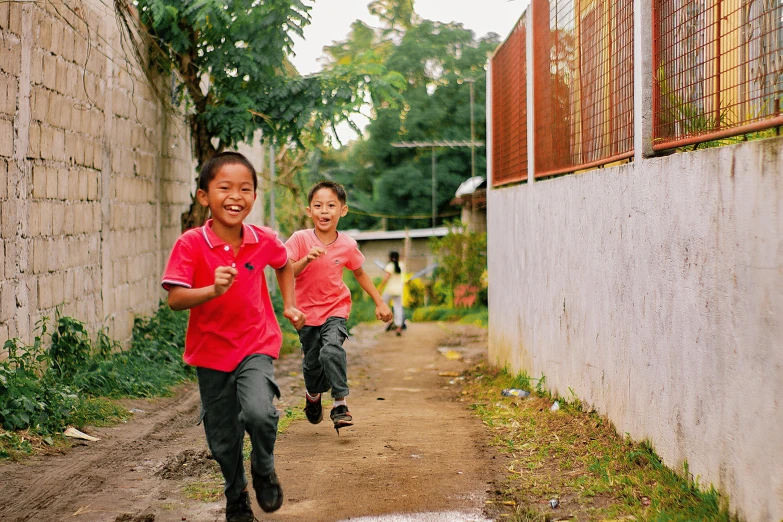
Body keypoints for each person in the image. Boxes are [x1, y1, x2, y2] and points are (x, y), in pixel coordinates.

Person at [161, 151, 305, 522]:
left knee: (259, 413)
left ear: (255, 197)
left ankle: (263, 466)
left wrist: (289, 304)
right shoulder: (191, 244)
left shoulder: (264, 240)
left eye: (245, 188)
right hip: (210, 353)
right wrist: (211, 290)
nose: (235, 196)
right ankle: (236, 495)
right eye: (224, 187)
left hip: (256, 345)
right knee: (223, 439)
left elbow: (284, 262)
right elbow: (175, 299)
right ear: (204, 196)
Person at [285, 181, 392, 433]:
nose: (324, 211)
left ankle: (340, 404)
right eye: (318, 206)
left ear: (342, 210)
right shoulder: (300, 239)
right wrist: (305, 259)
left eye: (331, 205)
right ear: (308, 210)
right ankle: (313, 397)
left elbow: (360, 273)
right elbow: (286, 271)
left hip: (335, 310)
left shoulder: (347, 245)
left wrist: (380, 301)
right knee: (312, 365)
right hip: (306, 315)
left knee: (331, 350)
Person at [379, 251, 405, 336]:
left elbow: (386, 278)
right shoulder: (401, 265)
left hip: (389, 290)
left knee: (383, 303)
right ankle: (398, 327)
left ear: (390, 257)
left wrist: (380, 287)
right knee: (398, 308)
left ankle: (389, 321)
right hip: (399, 290)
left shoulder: (390, 266)